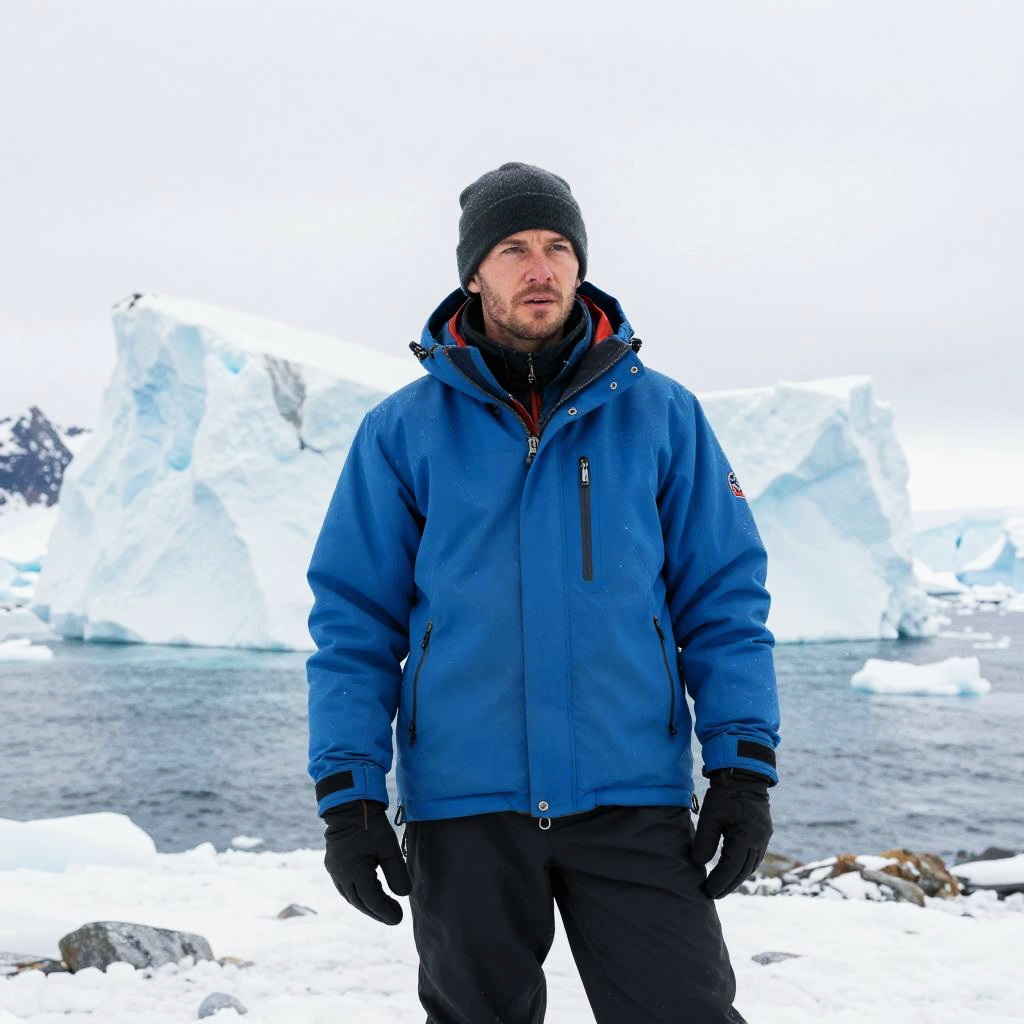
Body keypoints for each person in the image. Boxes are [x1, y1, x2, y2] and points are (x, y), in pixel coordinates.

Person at [306, 162, 781, 1024]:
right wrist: (350, 796)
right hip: (465, 805)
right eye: (515, 247)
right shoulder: (402, 432)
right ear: (473, 274)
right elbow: (354, 624)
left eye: (560, 247)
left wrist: (743, 772)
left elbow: (723, 601)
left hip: (630, 797)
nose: (542, 267)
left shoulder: (662, 416)